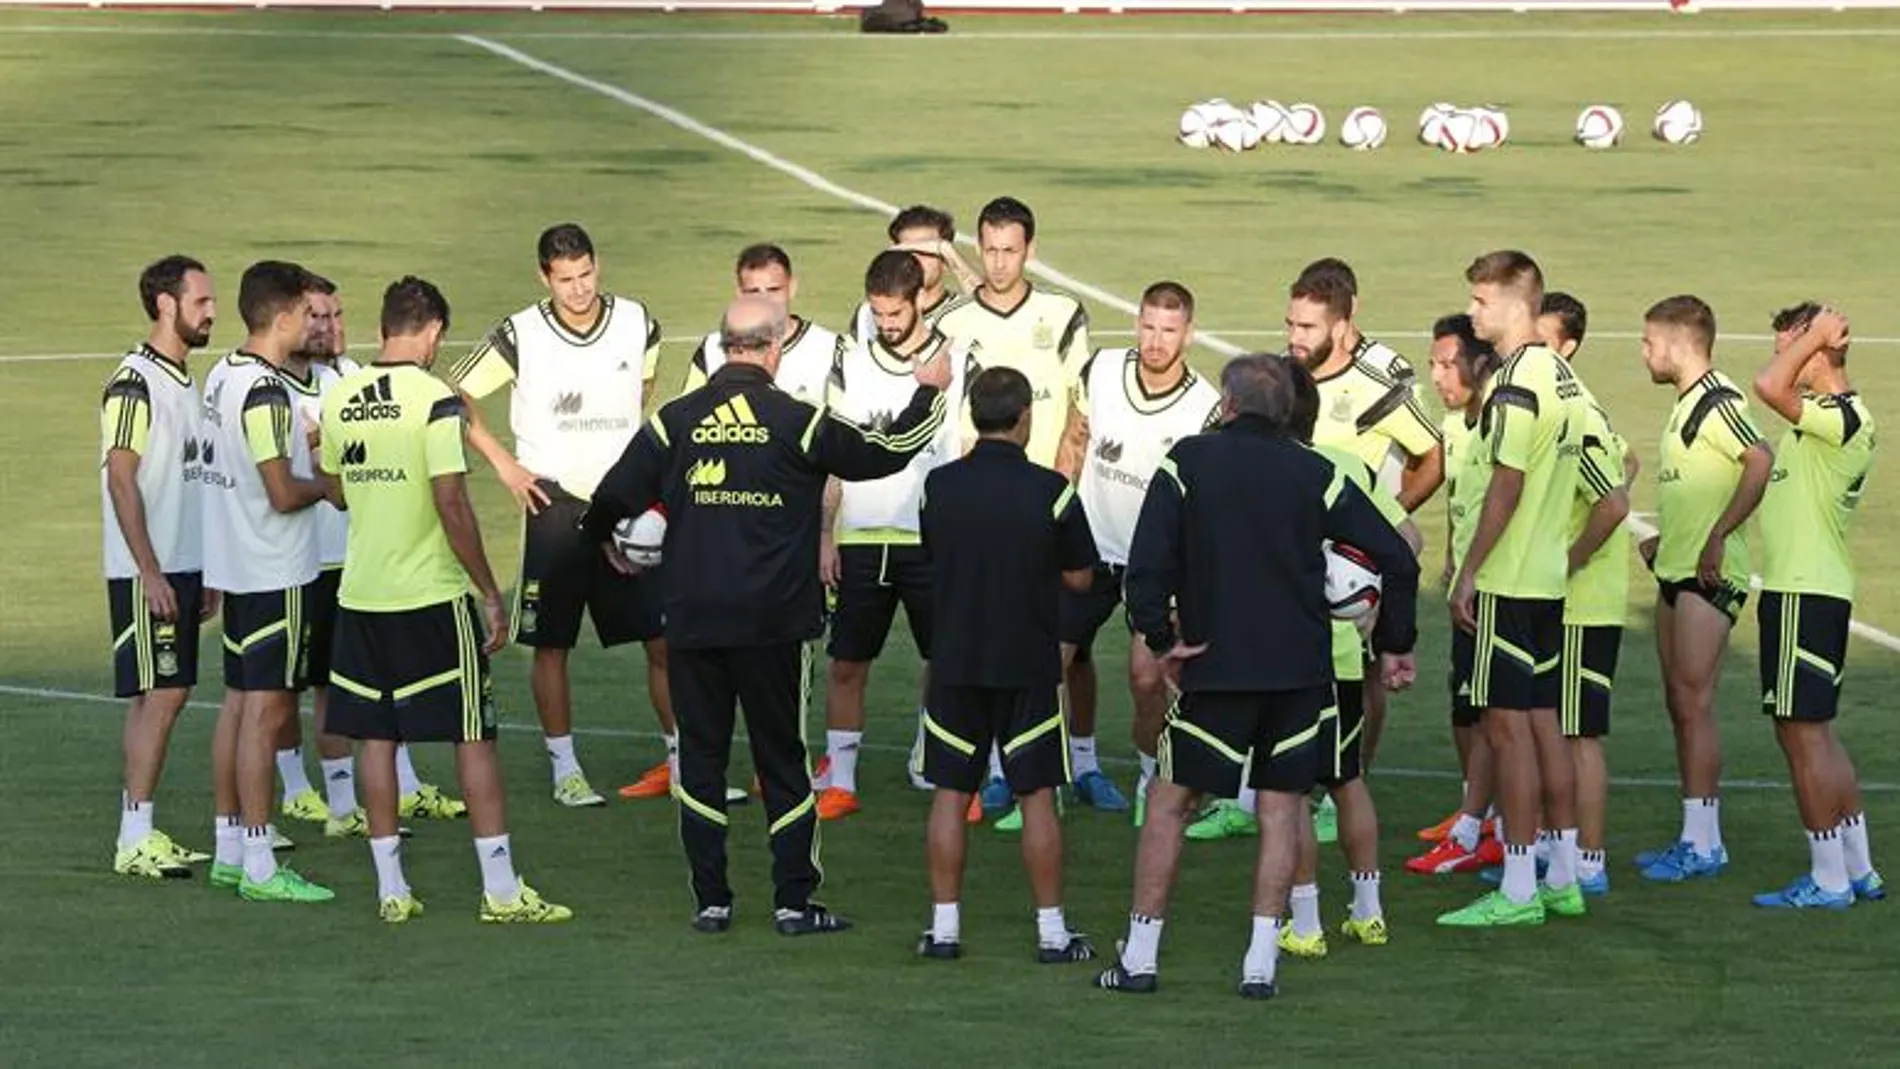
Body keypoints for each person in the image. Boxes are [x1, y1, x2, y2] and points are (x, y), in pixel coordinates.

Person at [583, 294, 952, 936]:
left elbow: (613, 491)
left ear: (724, 345)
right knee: (782, 761)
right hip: (774, 624)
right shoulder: (796, 421)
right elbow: (884, 452)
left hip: (694, 619)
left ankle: (712, 902)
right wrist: (929, 392)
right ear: (774, 348)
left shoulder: (676, 420)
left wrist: (606, 542)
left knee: (699, 760)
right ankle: (792, 902)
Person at [1097, 353, 1419, 1000]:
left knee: (1168, 804)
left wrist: (1162, 641)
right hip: (1300, 675)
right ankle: (1260, 964)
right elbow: (1396, 557)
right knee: (1281, 809)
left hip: (1215, 668)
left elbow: (1147, 566)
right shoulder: (1317, 472)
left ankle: (1139, 956)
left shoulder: (1187, 461)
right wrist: (1393, 644)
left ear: (1228, 403)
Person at [319, 276, 572, 924]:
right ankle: (501, 891)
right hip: (430, 594)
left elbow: (339, 490)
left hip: (361, 595)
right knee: (473, 735)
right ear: (431, 331)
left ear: (384, 328)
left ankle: (390, 890)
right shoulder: (434, 399)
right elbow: (451, 500)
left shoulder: (341, 395)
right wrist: (490, 589)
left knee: (375, 736)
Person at [445, 223, 674, 809]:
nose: (578, 290)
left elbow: (643, 387)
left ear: (598, 265)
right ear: (544, 277)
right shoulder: (519, 334)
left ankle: (684, 761)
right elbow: (454, 394)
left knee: (662, 637)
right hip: (553, 502)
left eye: (586, 274)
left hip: (623, 502)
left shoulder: (637, 320)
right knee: (552, 643)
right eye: (565, 279)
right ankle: (565, 769)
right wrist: (504, 464)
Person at [915, 366, 1100, 963]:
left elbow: (933, 550)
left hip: (955, 659)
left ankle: (943, 930)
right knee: (1036, 795)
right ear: (1024, 419)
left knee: (950, 791)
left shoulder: (938, 487)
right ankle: (1051, 933)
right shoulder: (1052, 491)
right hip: (1025, 661)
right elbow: (1080, 576)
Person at [1439, 250, 1589, 928]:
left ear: (1515, 304)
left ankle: (1521, 886)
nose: (1473, 314)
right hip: (1550, 583)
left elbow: (1508, 481)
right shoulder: (1563, 378)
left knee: (1507, 736)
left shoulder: (1515, 383)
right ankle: (1563, 874)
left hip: (1508, 580)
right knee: (1545, 728)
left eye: (1480, 302)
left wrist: (1469, 571)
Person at [936, 195, 1092, 824]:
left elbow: (1080, 409)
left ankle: (1073, 763)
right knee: (986, 639)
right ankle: (995, 771)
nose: (999, 264)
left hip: (1042, 502)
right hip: (975, 503)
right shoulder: (951, 319)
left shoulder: (1062, 314)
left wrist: (1062, 478)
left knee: (1064, 646)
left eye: (1010, 250)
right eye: (989, 250)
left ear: (1030, 249)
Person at [813, 251, 978, 820]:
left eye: (894, 312)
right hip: (861, 536)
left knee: (948, 660)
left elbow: (970, 448)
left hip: (931, 540)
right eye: (877, 313)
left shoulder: (959, 362)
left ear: (918, 301)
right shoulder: (850, 363)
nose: (885, 323)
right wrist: (825, 534)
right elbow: (835, 454)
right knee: (847, 663)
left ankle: (938, 761)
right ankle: (842, 778)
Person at [1278, 260, 1441, 823]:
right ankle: (1258, 790)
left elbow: (1432, 455)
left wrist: (1376, 533)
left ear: (1342, 327)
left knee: (1360, 677)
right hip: (1286, 562)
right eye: (1291, 325)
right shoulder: (1279, 382)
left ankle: (1345, 784)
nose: (1295, 339)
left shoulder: (1379, 389)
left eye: (1308, 328)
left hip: (1348, 573)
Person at [1278, 355, 1421, 958]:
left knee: (1289, 794)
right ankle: (1369, 912)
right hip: (1344, 657)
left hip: (1288, 658)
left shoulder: (1269, 473)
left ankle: (1306, 924)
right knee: (1347, 780)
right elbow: (1408, 540)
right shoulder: (1349, 465)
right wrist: (1374, 610)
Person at [1064, 282, 1221, 830]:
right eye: (1149, 326)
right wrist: (1056, 520)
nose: (1156, 341)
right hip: (1088, 545)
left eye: (1169, 330)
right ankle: (1065, 770)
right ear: (1137, 324)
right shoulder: (1101, 370)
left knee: (1147, 678)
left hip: (1153, 565)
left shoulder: (1206, 407)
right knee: (1053, 661)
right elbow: (1074, 439)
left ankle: (1151, 779)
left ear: (1189, 335)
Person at [200, 260, 333, 902]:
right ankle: (259, 861)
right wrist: (327, 485)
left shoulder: (222, 375)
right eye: (308, 313)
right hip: (276, 569)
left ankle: (229, 847)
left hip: (235, 561)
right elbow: (281, 493)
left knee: (237, 703)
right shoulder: (269, 393)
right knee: (267, 710)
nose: (315, 323)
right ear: (281, 318)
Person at [1633, 295, 1773, 883]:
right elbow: (1699, 486)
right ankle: (1698, 834)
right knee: (1680, 703)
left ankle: (1703, 843)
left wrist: (1717, 537)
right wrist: (1667, 540)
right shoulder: (1685, 404)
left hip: (1708, 576)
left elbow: (1759, 460)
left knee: (1693, 703)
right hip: (1677, 569)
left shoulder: (1719, 400)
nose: (1643, 353)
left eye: (1648, 342)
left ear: (1677, 343)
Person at [1749, 304, 1884, 909]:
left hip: (1805, 594)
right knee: (1817, 736)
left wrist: (1813, 341)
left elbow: (1766, 385)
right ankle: (1858, 868)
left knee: (1801, 737)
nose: (1784, 359)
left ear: (1821, 352)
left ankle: (1828, 877)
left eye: (1791, 347)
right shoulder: (1821, 423)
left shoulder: (1841, 417)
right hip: (1803, 591)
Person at [103, 254, 218, 879]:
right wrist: (149, 570)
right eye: (201, 302)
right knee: (165, 693)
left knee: (160, 694)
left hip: (182, 564)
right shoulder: (134, 381)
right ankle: (133, 836)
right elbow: (121, 478)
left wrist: (205, 568)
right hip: (148, 567)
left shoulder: (181, 380)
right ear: (166, 305)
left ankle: (138, 829)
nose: (212, 313)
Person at [1541, 292, 1634, 896]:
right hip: (1563, 600)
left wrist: (1569, 562)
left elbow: (1614, 499)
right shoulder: (1568, 407)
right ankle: (1562, 852)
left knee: (1577, 734)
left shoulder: (1578, 409)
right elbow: (1625, 465)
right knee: (1557, 729)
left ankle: (1588, 862)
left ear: (1568, 346)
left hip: (1583, 602)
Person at [683, 243, 849, 406]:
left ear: (792, 288)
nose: (765, 301)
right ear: (739, 293)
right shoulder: (712, 348)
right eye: (754, 292)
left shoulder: (829, 348)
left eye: (774, 290)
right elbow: (687, 414)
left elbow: (844, 423)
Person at [847, 204, 977, 348]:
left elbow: (994, 308)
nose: (915, 259)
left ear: (945, 261)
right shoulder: (868, 315)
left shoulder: (967, 313)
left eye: (926, 250)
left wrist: (949, 253)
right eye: (907, 250)